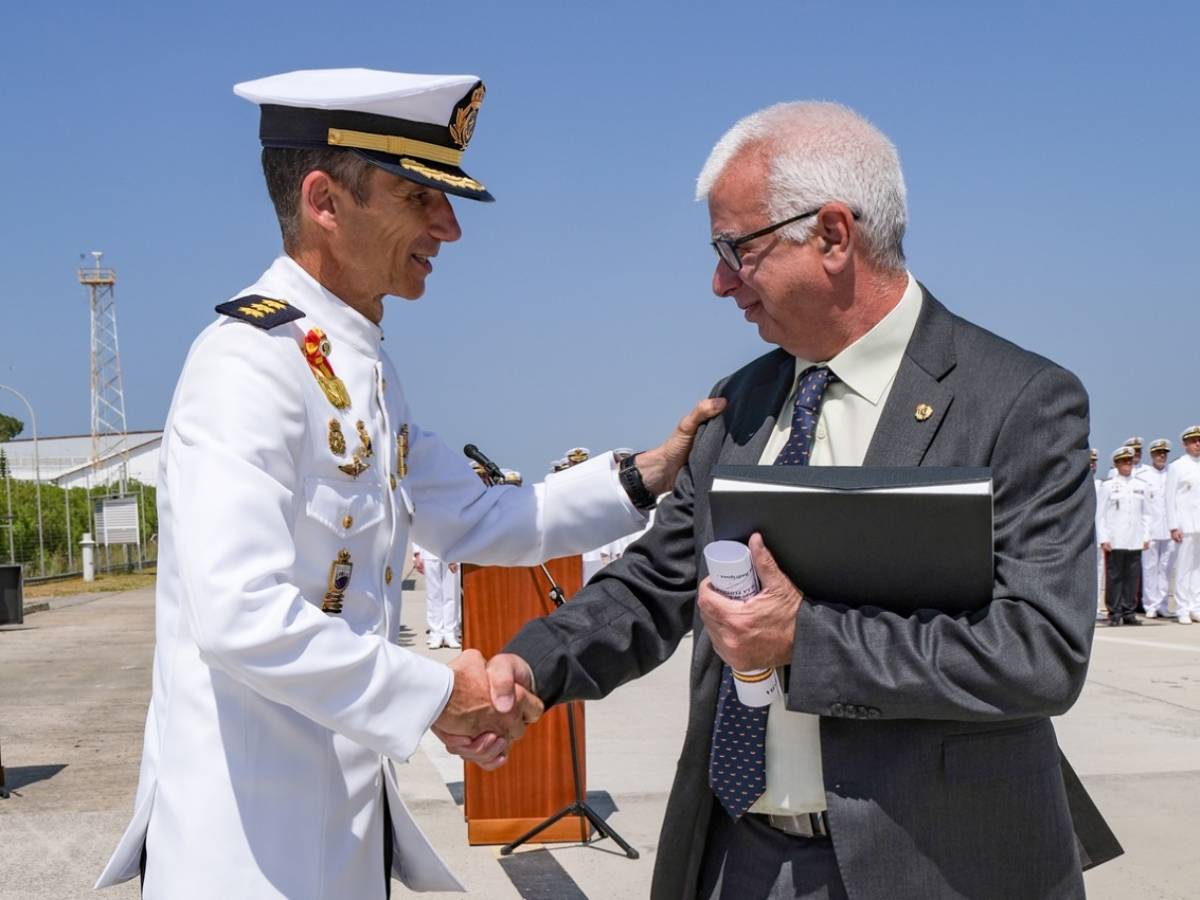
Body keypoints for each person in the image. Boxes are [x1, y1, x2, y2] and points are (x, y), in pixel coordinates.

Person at [94, 68, 722, 900]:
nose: (449, 227)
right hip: (248, 850)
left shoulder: (357, 365)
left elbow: (480, 513)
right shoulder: (248, 365)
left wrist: (647, 475)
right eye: (419, 196)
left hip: (339, 831)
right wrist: (436, 692)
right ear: (325, 199)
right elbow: (236, 613)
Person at [473, 101, 1117, 899]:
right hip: (740, 857)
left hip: (932, 864)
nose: (719, 283)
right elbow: (661, 579)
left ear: (834, 236)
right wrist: (531, 667)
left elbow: (1039, 651)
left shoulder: (1016, 402)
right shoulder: (738, 405)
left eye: (736, 249)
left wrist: (800, 640)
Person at [1097, 446, 1150, 626]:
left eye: (1129, 462)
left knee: (1132, 578)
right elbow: (1101, 514)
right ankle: (1115, 612)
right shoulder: (1109, 485)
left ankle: (1129, 611)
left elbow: (1146, 514)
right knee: (1115, 577)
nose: (1127, 465)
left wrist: (1146, 536)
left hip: (1135, 538)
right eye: (1123, 462)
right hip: (1115, 538)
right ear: (1116, 464)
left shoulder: (1140, 486)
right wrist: (1103, 538)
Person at [1166, 425, 1200, 625]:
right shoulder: (1177, 466)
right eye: (1193, 441)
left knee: (1198, 568)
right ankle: (1182, 608)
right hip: (1185, 525)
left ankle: (1196, 605)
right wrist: (1173, 526)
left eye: (1199, 441)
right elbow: (1169, 499)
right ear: (1185, 444)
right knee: (1184, 567)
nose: (1198, 444)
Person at [1141, 439, 1176, 618]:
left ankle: (1162, 604)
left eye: (1164, 453)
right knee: (1149, 568)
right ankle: (1150, 605)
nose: (1161, 456)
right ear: (1152, 455)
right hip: (1151, 530)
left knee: (1166, 568)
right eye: (1158, 453)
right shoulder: (1145, 476)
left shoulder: (1173, 474)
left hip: (1169, 529)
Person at [412, 542, 462, 649]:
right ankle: (436, 633)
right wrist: (417, 553)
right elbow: (417, 528)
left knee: (451, 594)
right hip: (429, 550)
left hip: (452, 550)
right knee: (433, 595)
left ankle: (450, 632)